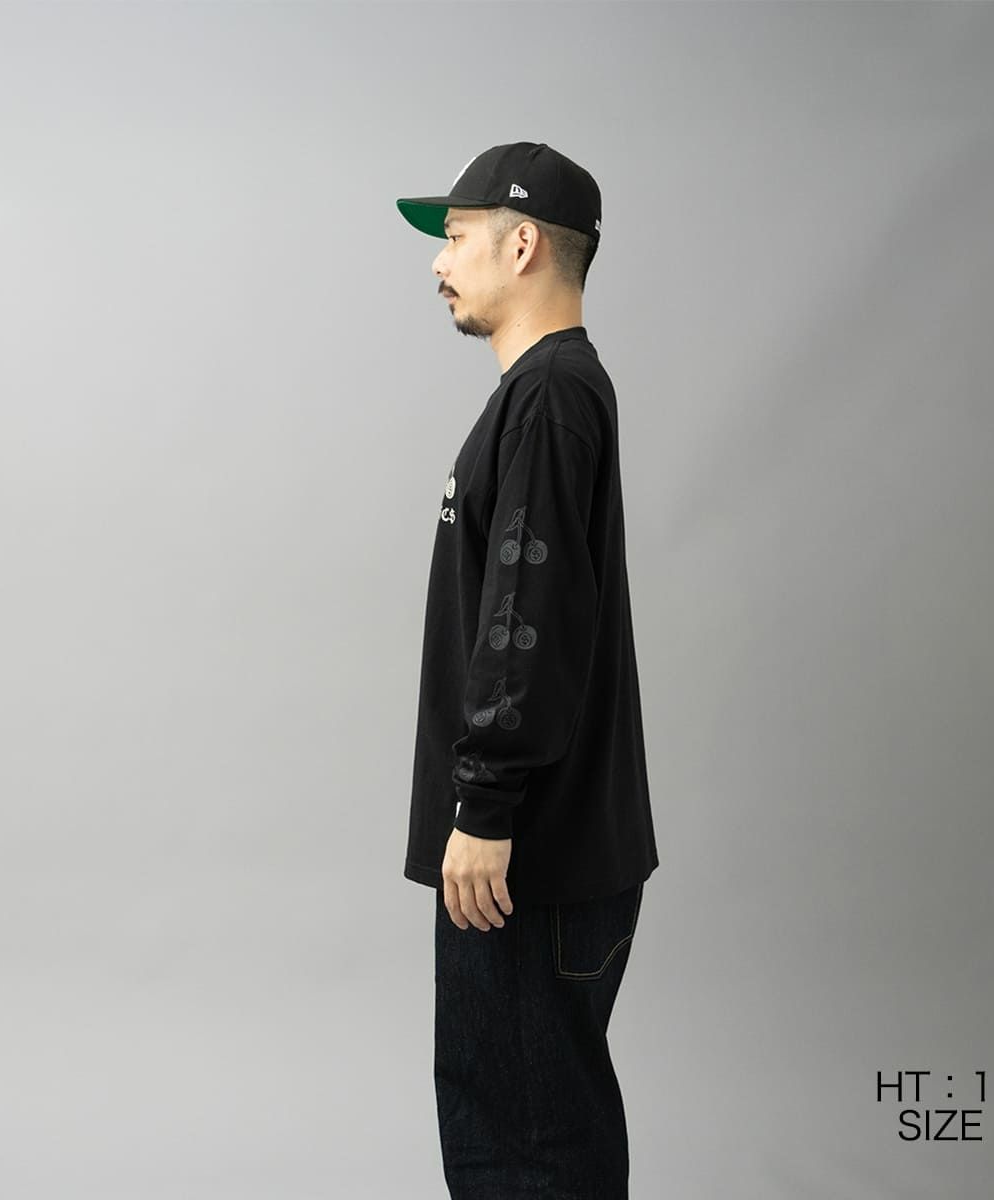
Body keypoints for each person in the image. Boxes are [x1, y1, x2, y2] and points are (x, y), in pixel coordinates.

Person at [396, 141, 660, 1200]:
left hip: (525, 866)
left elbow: (526, 618)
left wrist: (486, 806)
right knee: (535, 1126)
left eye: (456, 237)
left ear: (521, 245)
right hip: (545, 858)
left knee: (524, 1148)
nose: (438, 261)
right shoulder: (552, 394)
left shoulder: (549, 398)